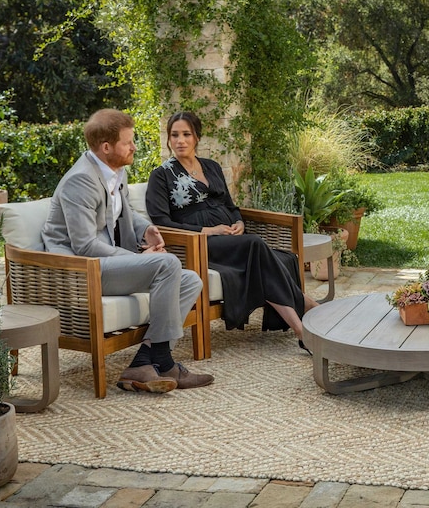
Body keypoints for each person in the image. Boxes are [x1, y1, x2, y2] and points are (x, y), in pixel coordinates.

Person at [42, 109, 214, 393]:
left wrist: (146, 229)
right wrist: (138, 259)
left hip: (103, 263)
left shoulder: (114, 170)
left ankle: (143, 362)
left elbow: (127, 212)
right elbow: (84, 246)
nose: (134, 147)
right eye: (128, 142)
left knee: (191, 280)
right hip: (80, 271)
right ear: (106, 147)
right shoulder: (80, 181)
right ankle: (164, 362)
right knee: (167, 264)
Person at [145, 111, 318, 353]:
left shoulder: (211, 167)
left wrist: (239, 222)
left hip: (231, 238)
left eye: (186, 134)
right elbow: (161, 222)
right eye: (174, 135)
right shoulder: (161, 175)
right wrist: (206, 230)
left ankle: (304, 324)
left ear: (197, 137)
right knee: (256, 245)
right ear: (168, 138)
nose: (180, 140)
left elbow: (230, 205)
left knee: (264, 254)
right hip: (199, 244)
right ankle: (305, 316)